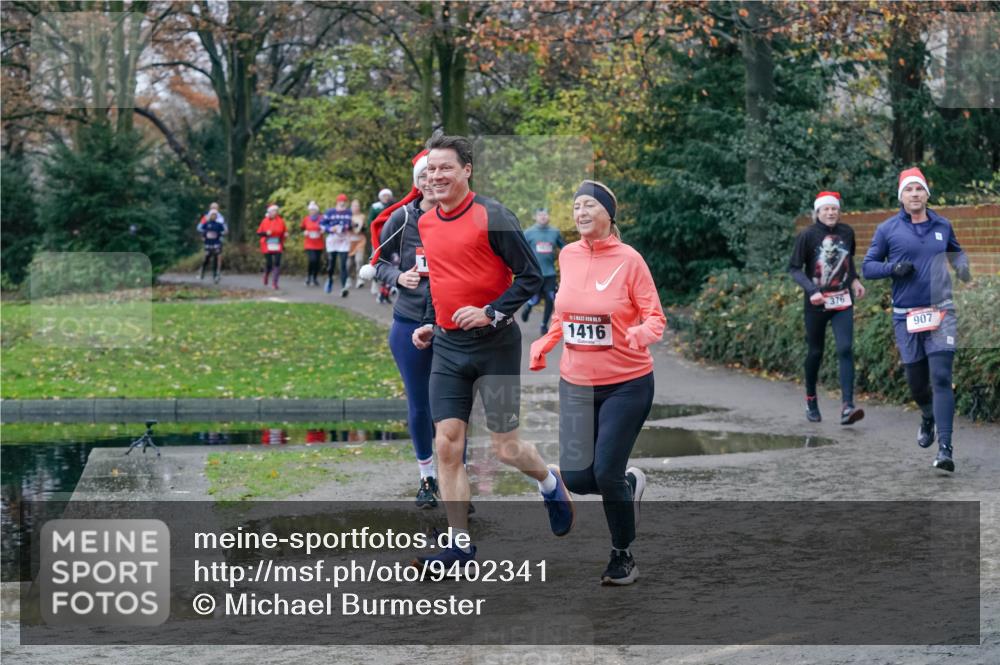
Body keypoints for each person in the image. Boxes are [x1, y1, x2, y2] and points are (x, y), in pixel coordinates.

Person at [409, 134, 572, 566]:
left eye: (445, 167)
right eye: (430, 169)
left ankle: (550, 485)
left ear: (467, 170)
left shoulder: (493, 215)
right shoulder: (426, 222)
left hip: (495, 345)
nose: (436, 176)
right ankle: (459, 544)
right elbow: (440, 279)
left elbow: (530, 278)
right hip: (447, 347)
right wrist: (430, 322)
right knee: (447, 444)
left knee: (505, 447)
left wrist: (490, 312)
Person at [529, 180, 664, 585]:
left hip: (628, 382)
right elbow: (563, 314)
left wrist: (641, 334)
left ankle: (623, 555)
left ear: (608, 214)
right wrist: (546, 342)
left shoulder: (630, 260)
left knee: (605, 472)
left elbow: (655, 317)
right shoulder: (567, 256)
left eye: (589, 205)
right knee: (576, 476)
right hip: (576, 382)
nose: (581, 212)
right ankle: (629, 485)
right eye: (576, 207)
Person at [862, 167, 972, 473]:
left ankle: (946, 449)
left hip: (942, 311)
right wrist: (892, 268)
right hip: (905, 317)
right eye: (909, 190)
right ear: (902, 196)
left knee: (940, 377)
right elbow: (868, 267)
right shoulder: (888, 229)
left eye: (919, 189)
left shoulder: (943, 225)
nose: (915, 194)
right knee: (916, 383)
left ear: (927, 194)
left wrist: (963, 268)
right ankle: (927, 415)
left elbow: (957, 254)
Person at [788, 191, 866, 425]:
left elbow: (848, 262)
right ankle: (811, 399)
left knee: (845, 349)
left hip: (842, 301)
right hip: (817, 304)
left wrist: (855, 280)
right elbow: (794, 268)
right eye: (826, 209)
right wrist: (812, 291)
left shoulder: (847, 232)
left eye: (834, 209)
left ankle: (847, 407)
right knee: (815, 352)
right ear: (818, 213)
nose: (831, 212)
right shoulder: (807, 236)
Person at [521, 207, 565, 335]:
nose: (543, 217)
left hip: (550, 273)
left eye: (545, 215)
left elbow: (564, 247)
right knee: (535, 299)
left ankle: (543, 325)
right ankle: (528, 306)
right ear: (536, 217)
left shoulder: (555, 232)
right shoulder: (528, 233)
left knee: (550, 299)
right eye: (540, 215)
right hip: (534, 274)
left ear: (548, 216)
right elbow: (521, 250)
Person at [322, 195, 353, 297]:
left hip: (344, 241)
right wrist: (331, 229)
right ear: (337, 202)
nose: (342, 203)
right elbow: (322, 224)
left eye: (344, 201)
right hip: (332, 241)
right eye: (340, 201)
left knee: (343, 265)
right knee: (331, 264)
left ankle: (343, 288)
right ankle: (330, 279)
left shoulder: (348, 212)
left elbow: (350, 224)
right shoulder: (330, 212)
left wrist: (344, 227)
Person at [256, 204, 287, 290]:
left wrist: (285, 235)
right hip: (266, 244)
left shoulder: (281, 221)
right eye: (273, 211)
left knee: (277, 263)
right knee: (269, 263)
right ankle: (266, 275)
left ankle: (275, 283)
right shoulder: (264, 221)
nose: (275, 212)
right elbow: (258, 233)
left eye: (276, 211)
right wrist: (266, 233)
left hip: (277, 244)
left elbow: (284, 232)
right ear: (269, 212)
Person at [197, 209, 226, 283]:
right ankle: (202, 272)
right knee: (207, 258)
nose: (213, 216)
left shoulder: (219, 224)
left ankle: (215, 275)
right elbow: (202, 231)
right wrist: (203, 237)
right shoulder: (206, 224)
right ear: (210, 216)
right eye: (212, 215)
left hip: (216, 243)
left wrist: (221, 235)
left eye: (215, 215)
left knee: (216, 258)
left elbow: (224, 231)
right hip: (208, 243)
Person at [300, 201, 325, 287]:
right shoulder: (306, 219)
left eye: (314, 210)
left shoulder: (321, 218)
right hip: (309, 243)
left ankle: (314, 278)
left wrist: (322, 230)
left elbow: (326, 226)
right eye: (311, 210)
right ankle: (308, 276)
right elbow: (302, 228)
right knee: (312, 260)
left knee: (317, 262)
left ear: (317, 211)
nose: (312, 211)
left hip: (318, 243)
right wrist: (305, 232)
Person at [349, 199, 368, 289]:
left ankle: (359, 279)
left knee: (359, 260)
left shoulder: (362, 216)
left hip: (360, 241)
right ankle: (348, 278)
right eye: (354, 206)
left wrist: (362, 226)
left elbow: (365, 228)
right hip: (349, 242)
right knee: (348, 263)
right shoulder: (348, 216)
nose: (356, 208)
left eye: (357, 206)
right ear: (351, 207)